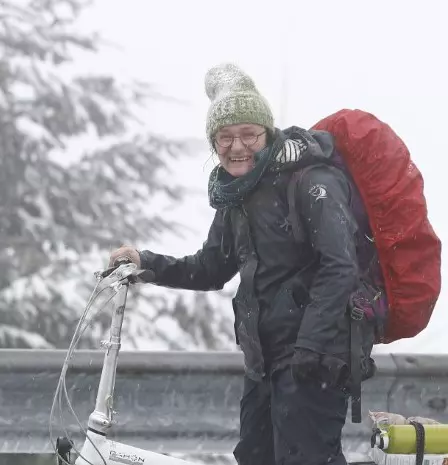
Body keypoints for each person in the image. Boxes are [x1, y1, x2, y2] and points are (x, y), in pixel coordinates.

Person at [109, 63, 379, 465]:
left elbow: (341, 267)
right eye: (225, 137)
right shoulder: (238, 196)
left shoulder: (310, 181)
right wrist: (146, 263)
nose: (237, 147)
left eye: (249, 135)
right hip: (266, 358)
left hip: (317, 354)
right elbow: (211, 268)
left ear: (267, 135)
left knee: (303, 458)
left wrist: (309, 345)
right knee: (254, 456)